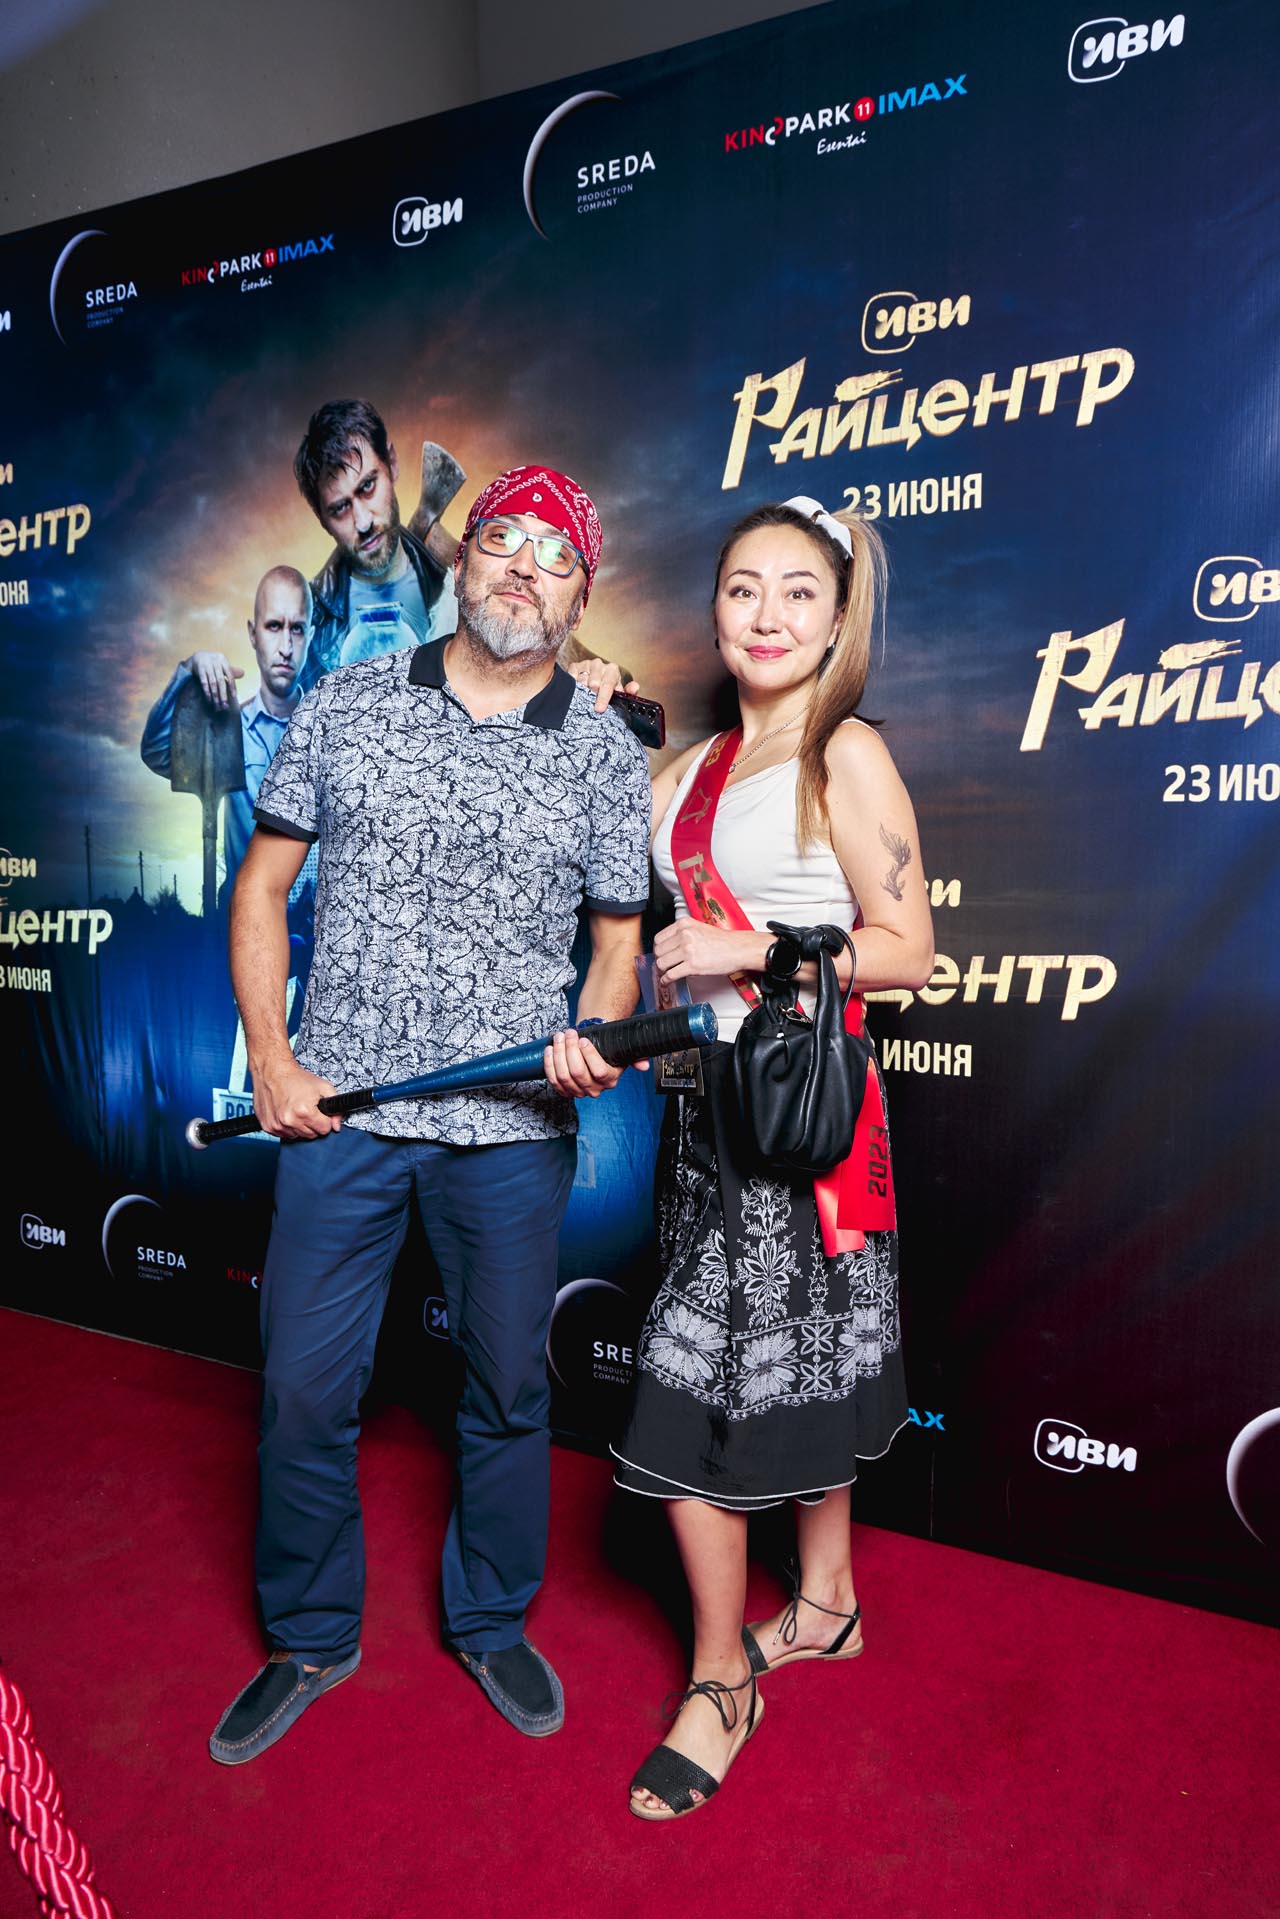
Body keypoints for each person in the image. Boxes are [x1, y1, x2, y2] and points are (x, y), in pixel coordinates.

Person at [208, 464, 652, 1766]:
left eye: (555, 556)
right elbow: (260, 887)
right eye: (502, 538)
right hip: (340, 1113)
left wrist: (594, 1035)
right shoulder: (348, 703)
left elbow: (615, 949)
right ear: (464, 558)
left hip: (510, 1135)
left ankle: (490, 1616)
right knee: (303, 1389)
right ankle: (308, 1633)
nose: (523, 567)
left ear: (579, 597)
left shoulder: (602, 751)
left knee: (507, 1389)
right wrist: (273, 1056)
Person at [615, 496, 935, 1821]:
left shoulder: (841, 752)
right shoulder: (684, 771)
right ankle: (827, 1602)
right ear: (714, 607)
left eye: (799, 590)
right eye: (743, 586)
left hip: (801, 1124)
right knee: (783, 1370)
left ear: (837, 616)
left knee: (701, 1391)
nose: (766, 614)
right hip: (703, 1115)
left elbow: (911, 953)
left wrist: (754, 947)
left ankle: (720, 1679)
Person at [294, 398, 635, 703]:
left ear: (392, 464)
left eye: (368, 486)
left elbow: (556, 659)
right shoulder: (305, 629)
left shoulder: (480, 581)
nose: (364, 521)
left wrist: (595, 680)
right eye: (340, 508)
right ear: (321, 518)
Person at [140, 564, 312, 893]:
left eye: (298, 629)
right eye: (274, 626)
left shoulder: (332, 734)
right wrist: (188, 671)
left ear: (311, 635)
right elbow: (155, 751)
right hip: (246, 916)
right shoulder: (229, 732)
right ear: (253, 633)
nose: (286, 647)